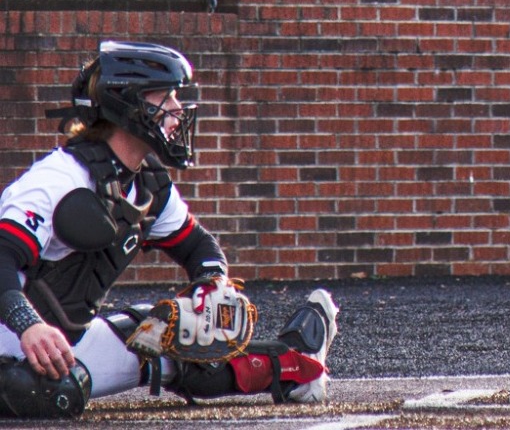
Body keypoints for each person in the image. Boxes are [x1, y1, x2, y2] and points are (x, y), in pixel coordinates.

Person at [0, 40, 338, 418]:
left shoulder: (147, 186)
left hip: (64, 345)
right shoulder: (56, 180)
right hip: (11, 341)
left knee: (181, 346)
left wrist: (211, 283)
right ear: (129, 104)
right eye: (166, 97)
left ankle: (295, 361)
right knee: (38, 392)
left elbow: (197, 245)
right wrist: (28, 325)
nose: (177, 110)